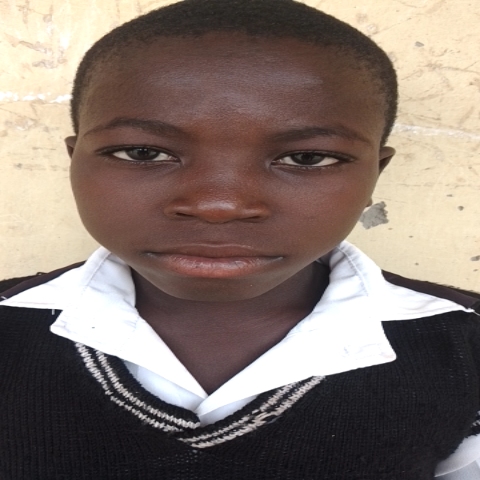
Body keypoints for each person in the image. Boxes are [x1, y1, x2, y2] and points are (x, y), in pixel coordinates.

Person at [0, 0, 479, 478]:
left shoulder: (466, 347)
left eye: (307, 159)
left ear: (376, 173)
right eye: (143, 152)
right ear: (74, 161)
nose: (219, 205)